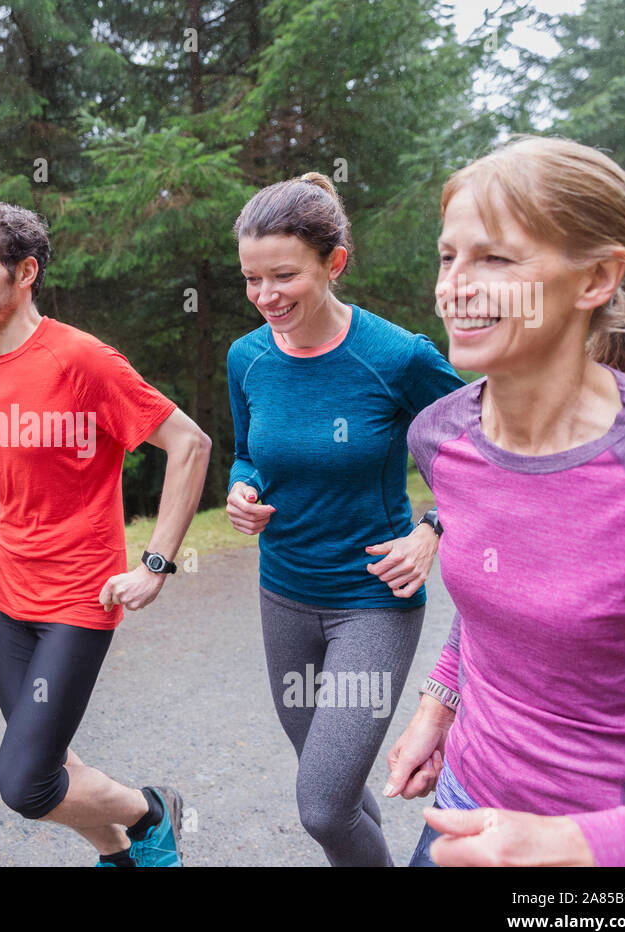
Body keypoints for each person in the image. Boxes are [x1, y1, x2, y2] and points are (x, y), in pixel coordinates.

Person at [383, 135, 625, 867]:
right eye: (448, 256)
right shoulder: (442, 438)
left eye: (495, 258)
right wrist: (440, 702)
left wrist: (579, 845)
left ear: (597, 279)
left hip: (618, 849)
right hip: (462, 811)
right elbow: (495, 584)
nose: (455, 284)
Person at [0, 199, 211, 866]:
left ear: (24, 272)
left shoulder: (81, 360)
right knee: (51, 760)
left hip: (82, 601)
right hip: (11, 600)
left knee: (24, 782)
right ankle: (123, 857)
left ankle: (151, 810)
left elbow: (188, 444)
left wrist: (157, 564)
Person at [226, 173, 466, 865]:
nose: (266, 297)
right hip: (284, 597)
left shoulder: (397, 356)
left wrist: (431, 530)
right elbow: (248, 454)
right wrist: (244, 491)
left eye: (283, 276)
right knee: (334, 790)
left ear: (334, 263)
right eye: (250, 279)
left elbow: (481, 452)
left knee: (323, 805)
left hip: (372, 601)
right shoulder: (250, 357)